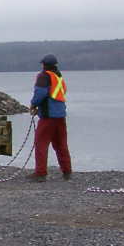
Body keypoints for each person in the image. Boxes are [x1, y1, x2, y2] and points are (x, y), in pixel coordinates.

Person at [29, 53, 72, 181]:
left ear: (44, 65)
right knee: (61, 145)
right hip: (60, 115)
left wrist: (33, 105)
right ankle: (67, 172)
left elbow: (40, 93)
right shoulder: (59, 77)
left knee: (41, 144)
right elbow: (61, 93)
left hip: (48, 116)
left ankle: (40, 173)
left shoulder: (43, 76)